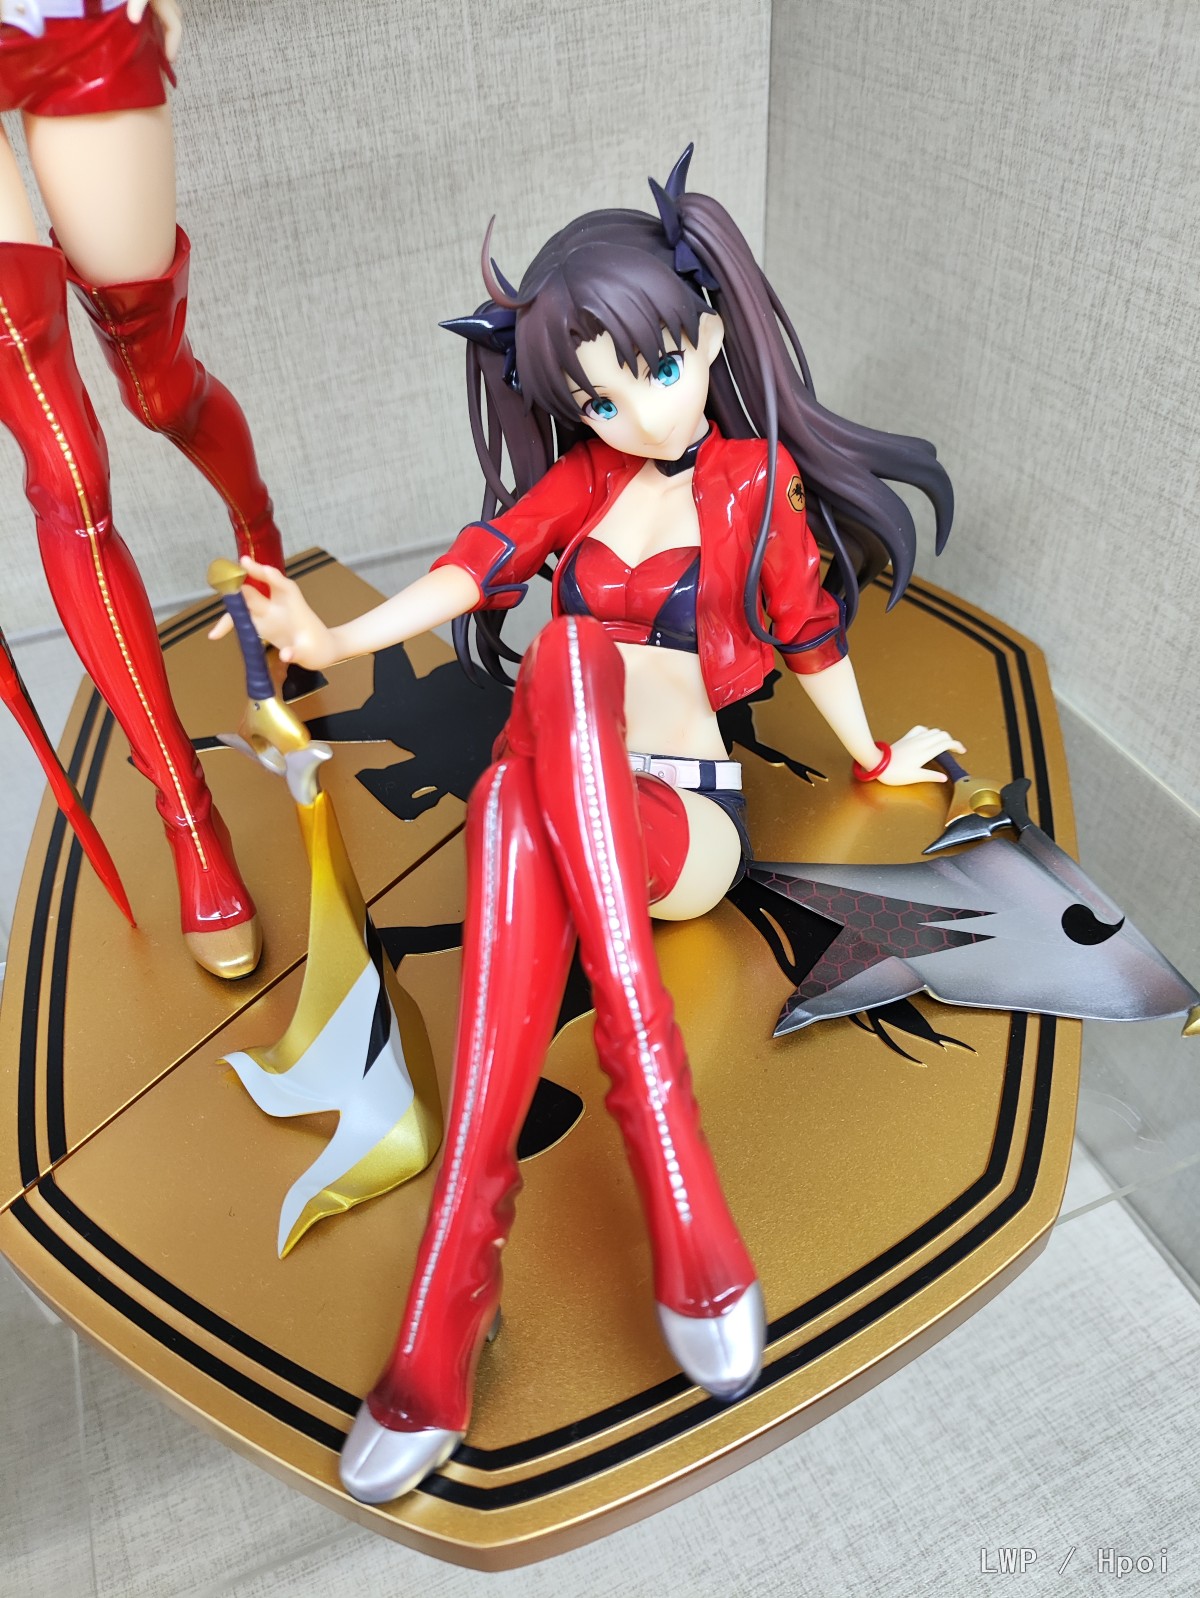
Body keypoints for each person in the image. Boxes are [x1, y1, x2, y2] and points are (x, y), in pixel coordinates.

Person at [221, 147, 963, 1502]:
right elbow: (475, 568)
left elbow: (808, 635)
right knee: (529, 757)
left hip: (684, 829)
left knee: (559, 679)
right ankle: (582, 1199)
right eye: (595, 398)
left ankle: (482, 1245)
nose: (631, 413)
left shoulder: (753, 484)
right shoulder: (587, 484)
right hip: (562, 814)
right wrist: (330, 637)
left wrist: (873, 753)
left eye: (656, 369)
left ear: (713, 334)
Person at [0, 0, 283, 977]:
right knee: (67, 471)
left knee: (159, 384)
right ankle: (189, 817)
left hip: (62, 17)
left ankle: (259, 529)